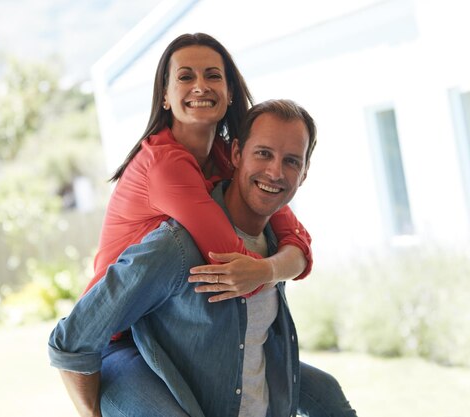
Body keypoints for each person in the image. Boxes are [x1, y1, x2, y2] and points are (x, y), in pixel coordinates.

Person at [48, 99, 358, 417]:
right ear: (236, 154)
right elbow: (73, 338)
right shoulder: (178, 247)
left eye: (291, 161)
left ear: (305, 173)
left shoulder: (277, 242)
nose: (276, 171)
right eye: (263, 153)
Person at [83, 33, 313, 306]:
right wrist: (272, 268)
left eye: (213, 76)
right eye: (185, 77)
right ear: (165, 96)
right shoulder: (164, 165)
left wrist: (267, 270)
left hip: (162, 319)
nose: (201, 86)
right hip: (117, 333)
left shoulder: (228, 156)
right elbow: (233, 271)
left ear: (230, 93)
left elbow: (298, 242)